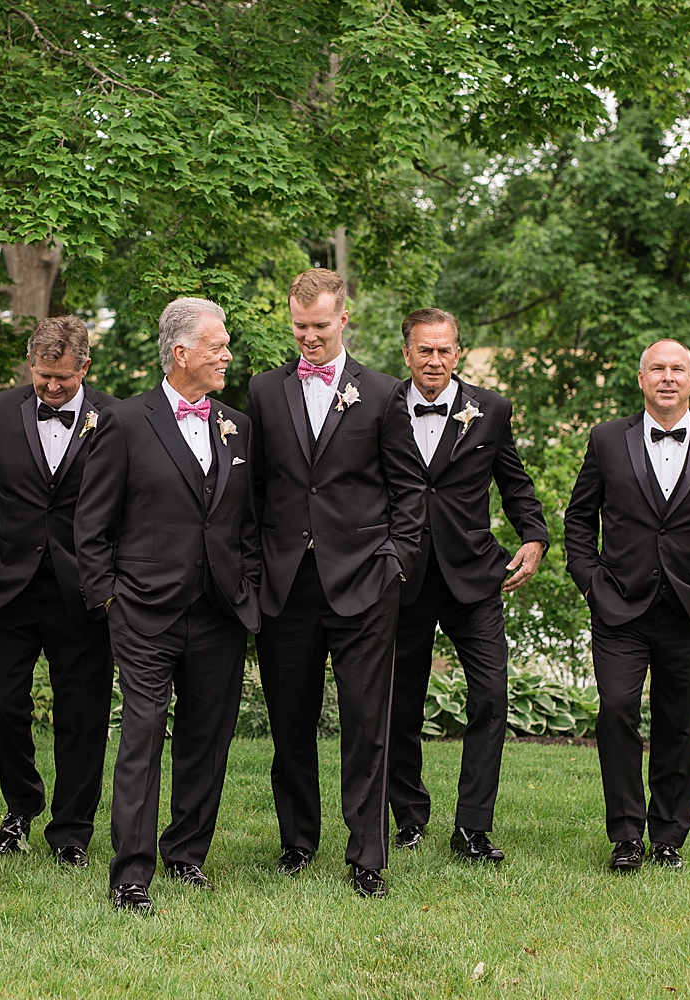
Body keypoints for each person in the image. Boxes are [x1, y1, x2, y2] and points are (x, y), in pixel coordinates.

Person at [74, 297, 261, 913]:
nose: (227, 354)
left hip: (220, 612)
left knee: (207, 738)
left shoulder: (236, 423)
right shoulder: (124, 422)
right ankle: (131, 873)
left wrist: (248, 588)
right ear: (181, 354)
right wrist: (109, 600)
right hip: (144, 613)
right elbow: (91, 526)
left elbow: (248, 522)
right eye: (218, 346)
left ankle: (187, 855)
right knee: (143, 737)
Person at [245, 268, 427, 898]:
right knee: (289, 722)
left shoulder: (381, 394)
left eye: (320, 327)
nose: (309, 339)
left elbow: (408, 491)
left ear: (343, 320)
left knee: (366, 723)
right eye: (299, 328)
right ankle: (297, 842)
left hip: (365, 584)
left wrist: (395, 561)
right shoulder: (264, 391)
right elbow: (256, 488)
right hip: (286, 585)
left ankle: (367, 857)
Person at [563, 338, 690, 871]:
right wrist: (588, 581)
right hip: (618, 607)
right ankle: (626, 835)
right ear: (641, 378)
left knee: (678, 724)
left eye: (678, 369)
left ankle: (669, 836)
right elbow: (579, 520)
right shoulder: (607, 440)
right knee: (617, 709)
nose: (667, 377)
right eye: (658, 369)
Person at [387, 308, 549, 862]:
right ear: (406, 354)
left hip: (475, 577)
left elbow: (515, 481)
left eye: (445, 351)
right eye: (424, 351)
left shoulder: (491, 409)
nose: (435, 361)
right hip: (401, 577)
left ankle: (472, 828)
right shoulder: (378, 407)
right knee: (397, 704)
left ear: (459, 353)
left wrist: (534, 535)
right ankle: (408, 817)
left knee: (490, 698)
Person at [0, 315, 118, 867]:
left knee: (82, 715)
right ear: (30, 364)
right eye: (42, 375)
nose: (52, 387)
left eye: (63, 378)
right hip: (6, 584)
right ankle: (22, 800)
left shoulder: (114, 417)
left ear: (84, 367)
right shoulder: (0, 411)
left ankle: (73, 829)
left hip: (83, 591)